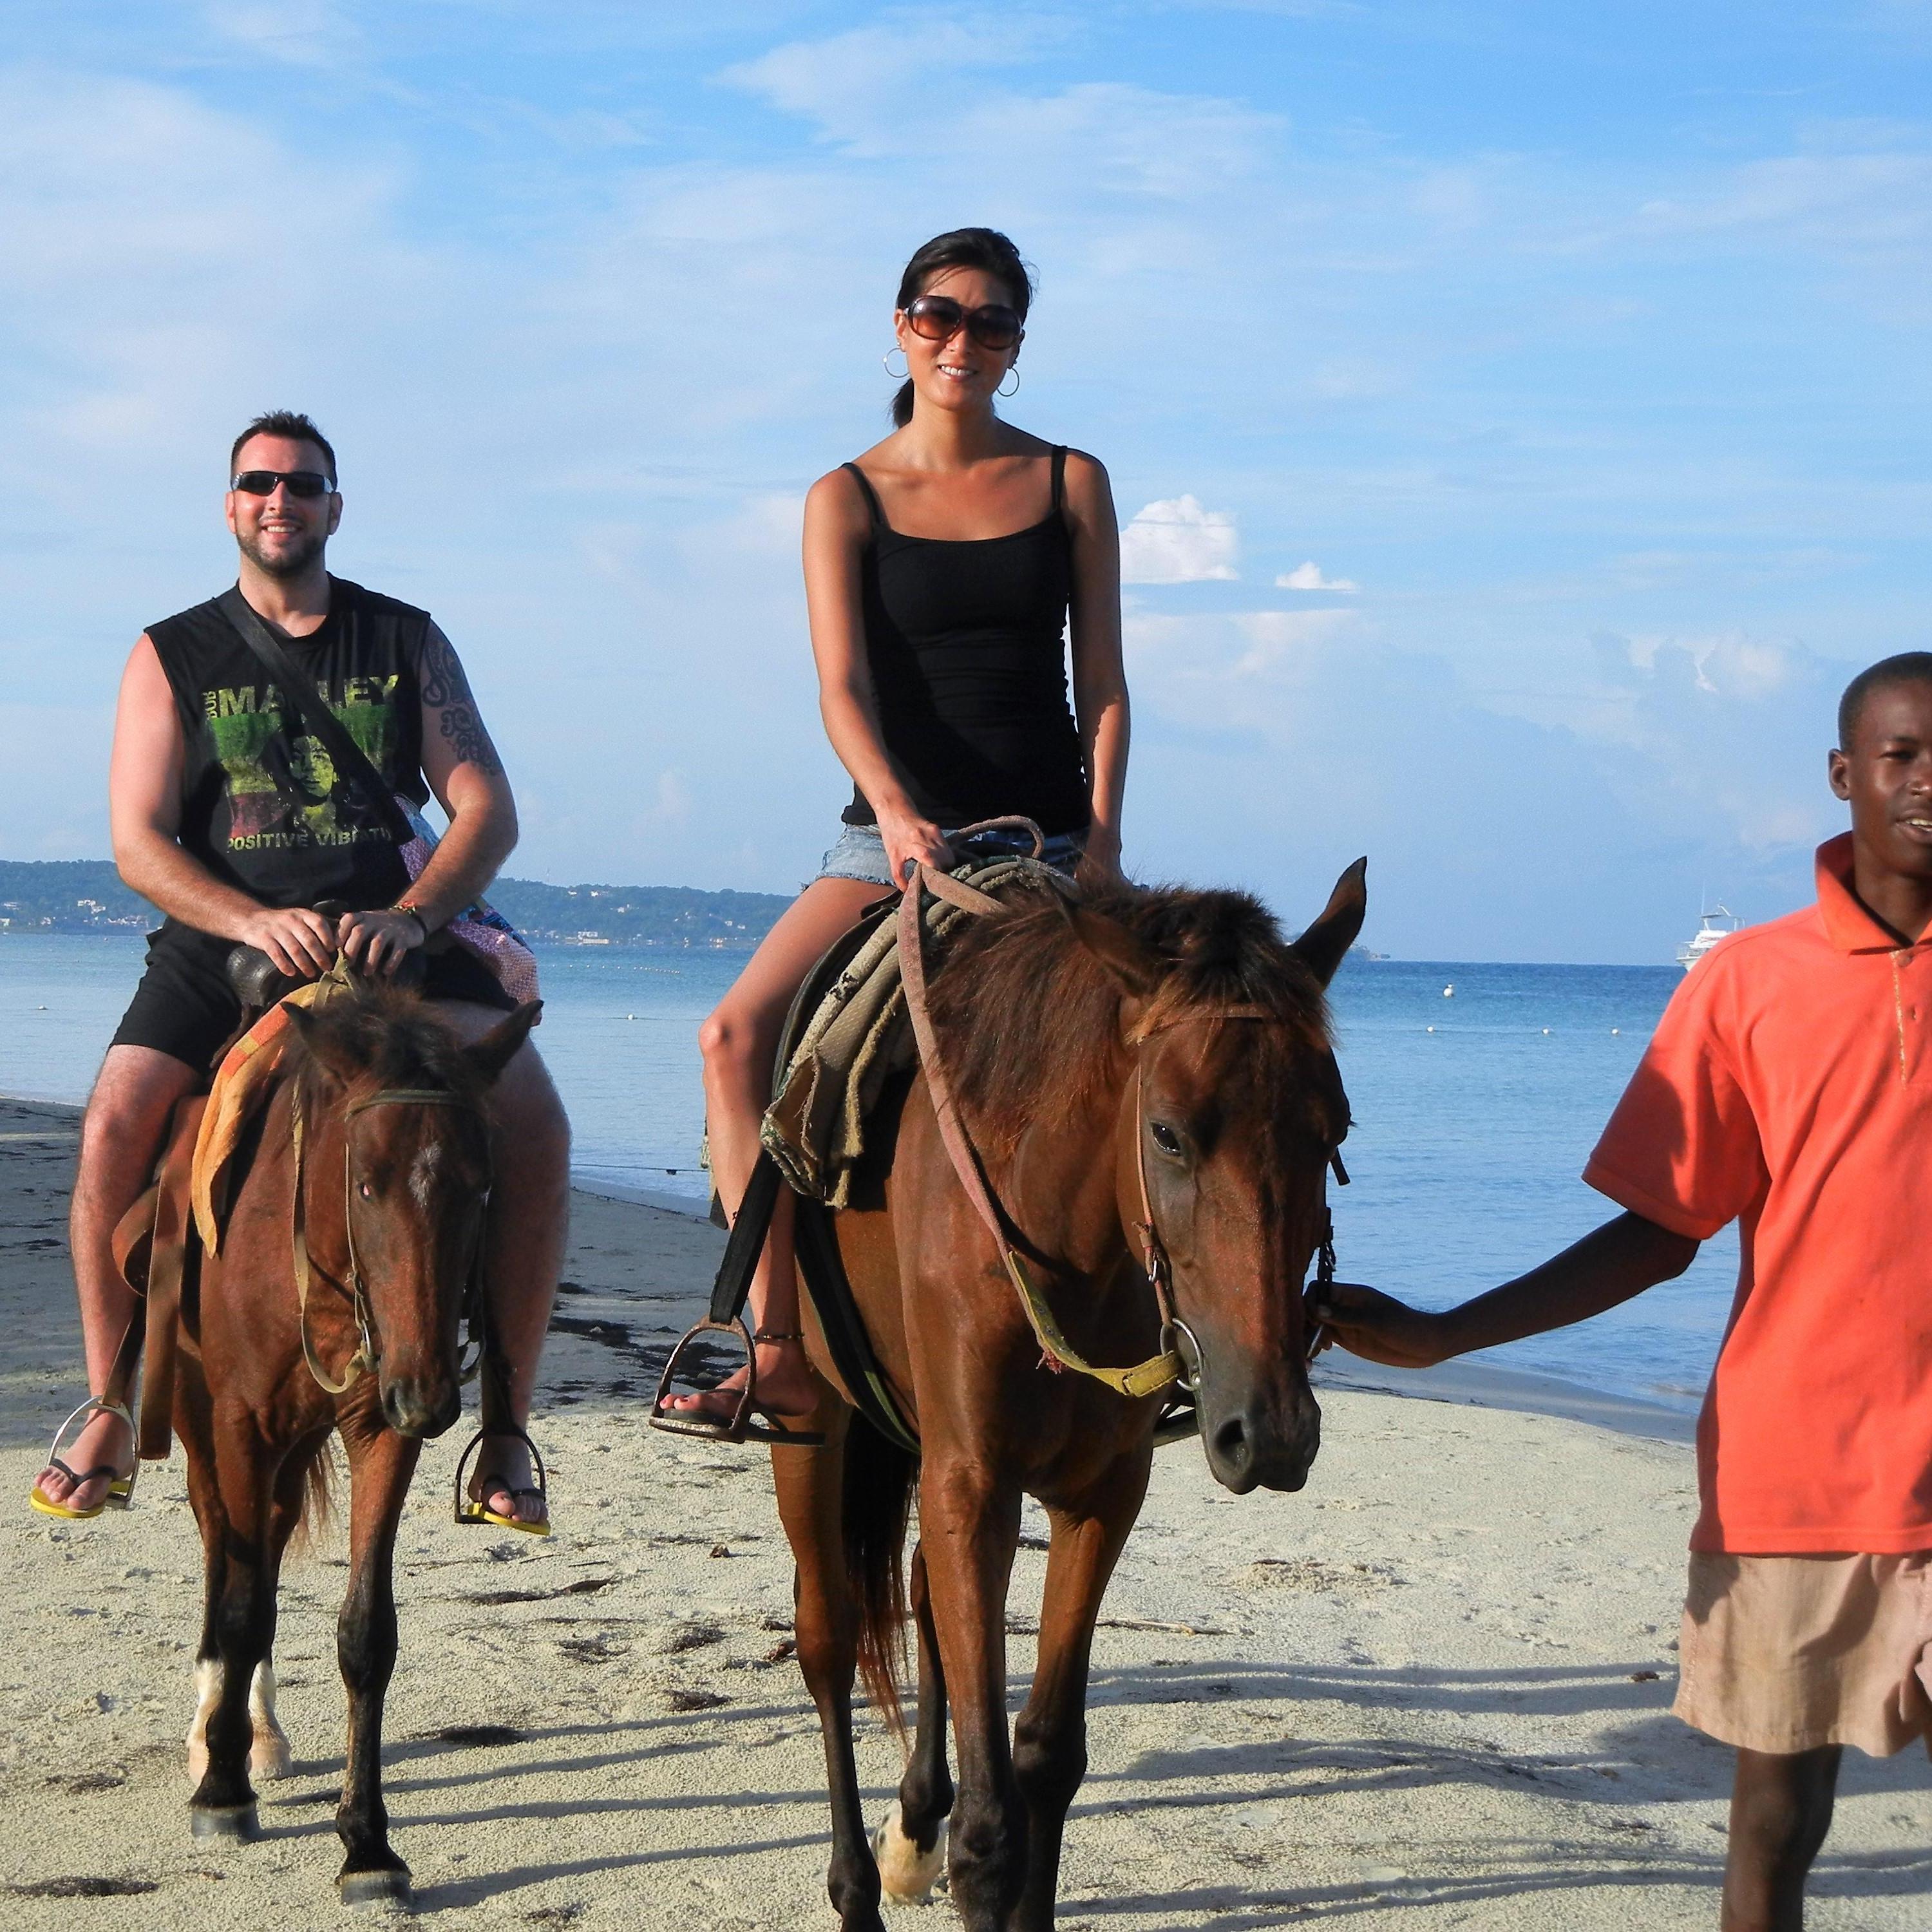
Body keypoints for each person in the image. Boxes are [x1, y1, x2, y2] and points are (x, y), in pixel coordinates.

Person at [1312, 650, 1932, 1932]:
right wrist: (1446, 1334)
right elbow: (1659, 1233)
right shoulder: (1749, 984)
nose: (1931, 783)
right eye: (1904, 755)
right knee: (1775, 1824)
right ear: (1843, 775)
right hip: (1800, 1471)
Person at [31, 410, 569, 1530]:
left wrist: (416, 918)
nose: (281, 501)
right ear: (231, 505)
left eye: (303, 484)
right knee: (115, 1122)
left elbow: (487, 811)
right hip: (225, 944)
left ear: (335, 504)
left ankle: (508, 1419)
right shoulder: (171, 651)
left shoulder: (404, 639)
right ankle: (112, 1402)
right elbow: (138, 841)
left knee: (534, 1116)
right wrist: (248, 920)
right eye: (259, 483)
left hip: (390, 943)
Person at [665, 227, 1130, 1432]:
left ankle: (1173, 1338)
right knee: (733, 1036)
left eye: (990, 322)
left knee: (1175, 1061)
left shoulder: (1072, 479)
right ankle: (769, 1342)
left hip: (1048, 843)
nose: (960, 339)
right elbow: (842, 690)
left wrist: (1106, 842)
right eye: (938, 313)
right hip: (891, 840)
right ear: (899, 324)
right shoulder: (846, 496)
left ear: (1017, 344)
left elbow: (1108, 686)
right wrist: (898, 814)